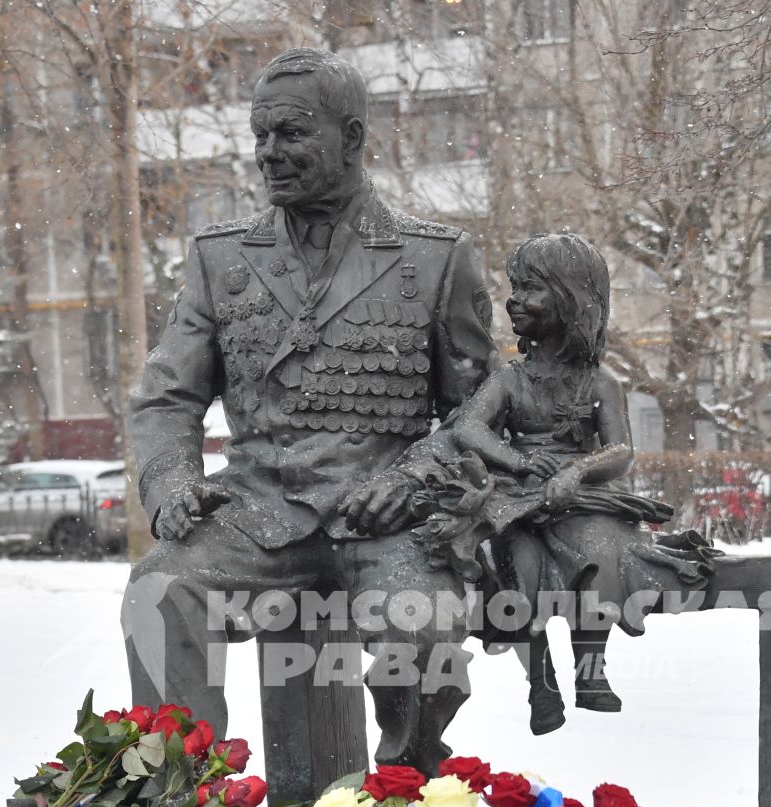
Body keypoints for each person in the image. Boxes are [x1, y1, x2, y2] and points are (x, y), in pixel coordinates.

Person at [122, 48, 495, 769]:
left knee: (420, 632)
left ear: (351, 138)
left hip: (387, 519)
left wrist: (417, 480)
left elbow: (480, 407)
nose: (269, 154)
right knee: (160, 589)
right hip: (259, 514)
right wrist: (170, 482)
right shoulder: (219, 259)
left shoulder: (434, 260)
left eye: (291, 134)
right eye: (260, 136)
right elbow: (168, 394)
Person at [435, 231, 674, 735]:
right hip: (516, 498)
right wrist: (518, 464)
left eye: (530, 289)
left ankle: (591, 668)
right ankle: (539, 679)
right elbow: (468, 427)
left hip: (581, 498)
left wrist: (577, 471)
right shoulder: (508, 378)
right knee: (515, 567)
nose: (514, 301)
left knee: (599, 552)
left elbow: (620, 450)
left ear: (571, 302)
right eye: (515, 287)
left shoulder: (601, 382)